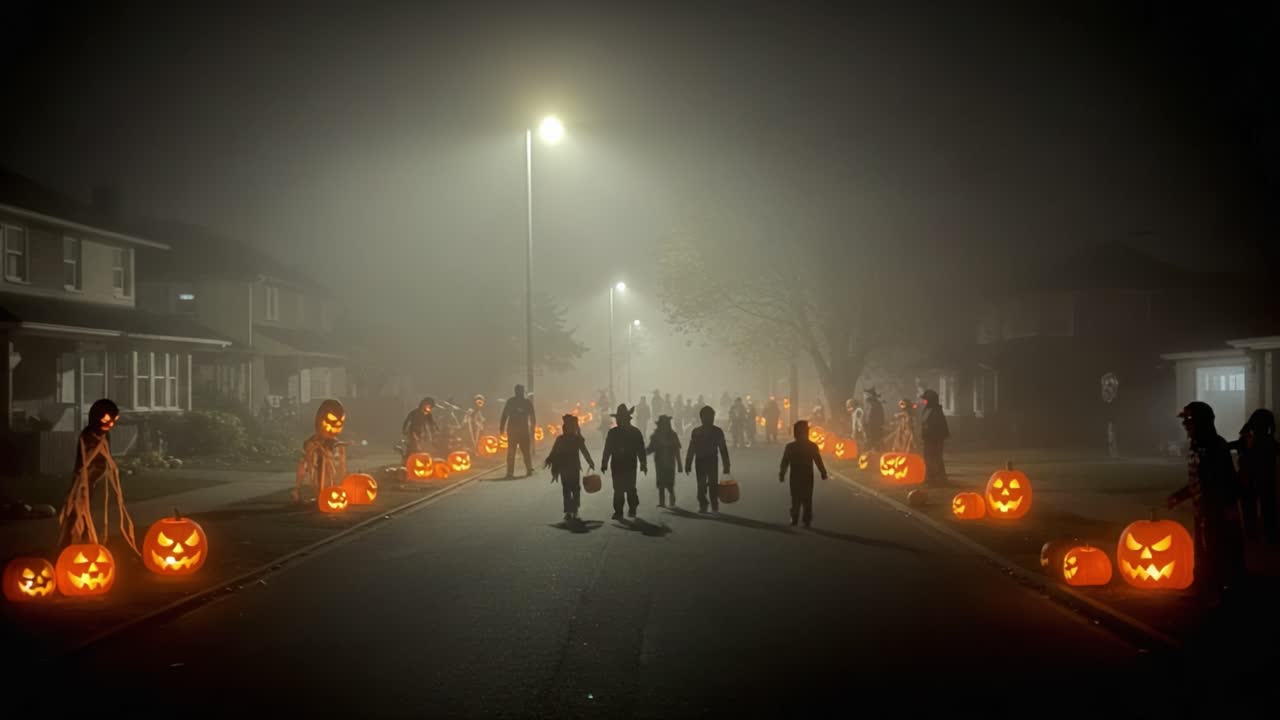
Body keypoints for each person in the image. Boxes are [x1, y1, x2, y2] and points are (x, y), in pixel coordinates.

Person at [1169, 401, 1246, 602]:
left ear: (1202, 422)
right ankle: (1203, 587)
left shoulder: (1215, 447)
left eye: (1189, 420)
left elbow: (1222, 481)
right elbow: (1198, 481)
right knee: (1203, 550)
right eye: (1184, 420)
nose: (1185, 425)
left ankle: (1218, 591)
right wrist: (1180, 495)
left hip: (1216, 511)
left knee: (1217, 550)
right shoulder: (1197, 446)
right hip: (1203, 510)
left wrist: (1219, 509)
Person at [1229, 409, 1278, 543]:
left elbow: (1234, 447)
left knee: (1250, 510)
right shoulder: (1268, 441)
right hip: (1264, 479)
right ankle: (1268, 535)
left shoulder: (1248, 439)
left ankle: (1253, 535)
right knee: (1268, 508)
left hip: (1249, 479)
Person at [545, 414, 595, 521]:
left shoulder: (575, 439)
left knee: (573, 489)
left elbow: (584, 451)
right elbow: (554, 452)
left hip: (573, 468)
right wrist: (590, 462)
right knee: (568, 489)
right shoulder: (565, 439)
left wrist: (590, 462)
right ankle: (569, 510)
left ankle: (573, 509)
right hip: (566, 468)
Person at [779, 420, 828, 527]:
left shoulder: (791, 447)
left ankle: (795, 517)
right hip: (807, 476)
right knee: (807, 497)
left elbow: (785, 461)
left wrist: (782, 473)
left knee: (795, 497)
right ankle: (806, 519)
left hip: (796, 475)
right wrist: (823, 472)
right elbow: (818, 460)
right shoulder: (812, 446)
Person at [601, 404, 647, 519]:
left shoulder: (633, 432)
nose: (618, 421)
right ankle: (620, 511)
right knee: (620, 489)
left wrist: (643, 463)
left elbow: (641, 449)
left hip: (627, 464)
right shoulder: (616, 433)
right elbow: (608, 449)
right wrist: (604, 463)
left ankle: (630, 509)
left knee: (628, 488)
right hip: (620, 464)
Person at [685, 405, 731, 513]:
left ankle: (708, 504)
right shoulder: (715, 431)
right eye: (708, 417)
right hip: (707, 460)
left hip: (706, 460)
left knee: (709, 484)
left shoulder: (699, 431)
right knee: (706, 484)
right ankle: (709, 504)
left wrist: (688, 463)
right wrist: (726, 464)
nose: (710, 419)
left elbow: (692, 449)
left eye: (710, 417)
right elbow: (723, 449)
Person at [499, 384, 537, 479]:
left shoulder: (520, 402)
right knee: (515, 452)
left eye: (520, 391)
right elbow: (505, 415)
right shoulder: (514, 402)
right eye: (518, 391)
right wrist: (502, 427)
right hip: (516, 431)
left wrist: (533, 428)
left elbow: (532, 416)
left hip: (520, 431)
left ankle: (523, 470)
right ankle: (513, 471)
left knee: (522, 452)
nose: (519, 393)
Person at [647, 414, 684, 507]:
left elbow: (677, 451)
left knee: (669, 482)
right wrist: (641, 454)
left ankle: (672, 498)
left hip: (670, 463)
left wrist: (679, 464)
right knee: (660, 483)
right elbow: (650, 448)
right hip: (659, 463)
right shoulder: (655, 436)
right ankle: (662, 502)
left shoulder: (673, 436)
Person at [919, 389, 950, 487]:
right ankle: (930, 478)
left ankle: (938, 479)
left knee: (935, 458)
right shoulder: (926, 410)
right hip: (928, 439)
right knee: (928, 458)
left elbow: (939, 427)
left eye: (925, 400)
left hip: (935, 439)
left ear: (931, 400)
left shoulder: (936, 411)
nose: (924, 402)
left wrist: (933, 436)